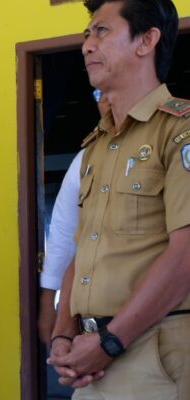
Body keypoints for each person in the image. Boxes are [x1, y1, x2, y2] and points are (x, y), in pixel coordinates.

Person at [49, 0, 190, 398]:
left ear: (146, 41)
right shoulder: (97, 145)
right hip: (91, 357)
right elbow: (85, 248)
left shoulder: (179, 130)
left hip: (153, 355)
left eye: (102, 31)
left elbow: (185, 255)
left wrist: (111, 341)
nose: (87, 45)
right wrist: (63, 334)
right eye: (86, 34)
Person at [38, 90, 110, 345]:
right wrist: (49, 302)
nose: (106, 100)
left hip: (159, 320)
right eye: (99, 93)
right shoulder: (87, 158)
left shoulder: (171, 138)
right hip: (93, 321)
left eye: (112, 89)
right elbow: (64, 234)